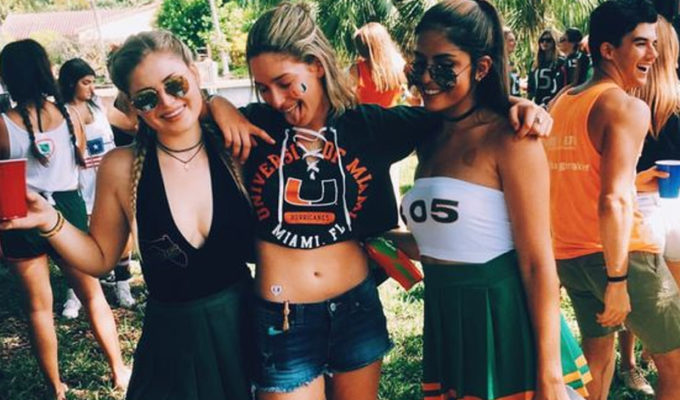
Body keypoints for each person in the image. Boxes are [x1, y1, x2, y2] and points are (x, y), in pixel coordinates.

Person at [207, 2, 553, 399]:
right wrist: (216, 104)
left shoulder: (369, 125)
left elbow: (462, 113)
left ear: (316, 65)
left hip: (355, 309)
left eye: (285, 83)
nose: (276, 99)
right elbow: (174, 108)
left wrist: (517, 104)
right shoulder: (253, 126)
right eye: (263, 88)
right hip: (283, 318)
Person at [0, 31, 270, 400]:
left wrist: (219, 103)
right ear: (132, 105)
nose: (167, 102)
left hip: (245, 330)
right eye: (146, 97)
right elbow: (100, 258)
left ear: (194, 74)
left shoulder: (235, 146)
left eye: (175, 84)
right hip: (173, 346)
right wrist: (50, 221)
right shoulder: (122, 167)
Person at [390, 1, 591, 399]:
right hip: (448, 318)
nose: (426, 77)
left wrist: (550, 374)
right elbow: (445, 239)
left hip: (505, 321)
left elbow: (537, 261)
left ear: (481, 68)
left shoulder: (512, 139)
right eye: (419, 63)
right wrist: (370, 237)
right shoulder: (429, 136)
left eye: (444, 66)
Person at [545, 1, 680, 399]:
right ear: (607, 50)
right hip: (621, 258)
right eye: (640, 44)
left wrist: (635, 181)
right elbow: (613, 199)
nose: (653, 55)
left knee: (597, 360)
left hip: (571, 256)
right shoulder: (626, 106)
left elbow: (575, 176)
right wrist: (618, 280)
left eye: (654, 44)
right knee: (677, 363)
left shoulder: (565, 100)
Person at [0, 39, 130, 400]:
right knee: (92, 296)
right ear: (46, 71)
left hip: (22, 213)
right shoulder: (71, 114)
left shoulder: (3, 125)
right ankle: (119, 370)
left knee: (38, 308)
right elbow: (80, 157)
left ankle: (56, 388)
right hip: (67, 210)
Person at [616, 15, 680, 396]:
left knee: (637, 292)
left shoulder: (628, 96)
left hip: (643, 203)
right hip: (653, 204)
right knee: (663, 292)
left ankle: (631, 364)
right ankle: (655, 360)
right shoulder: (632, 98)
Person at [57, 57, 137, 318]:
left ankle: (123, 285)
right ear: (71, 83)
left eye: (93, 82)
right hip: (81, 182)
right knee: (80, 237)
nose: (92, 88)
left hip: (110, 180)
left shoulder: (100, 106)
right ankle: (75, 294)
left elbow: (131, 125)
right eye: (86, 82)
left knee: (122, 233)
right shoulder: (60, 113)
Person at [349, 22, 407, 108]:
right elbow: (403, 93)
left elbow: (348, 98)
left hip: (366, 115)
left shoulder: (358, 69)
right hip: (390, 115)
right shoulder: (398, 66)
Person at [528, 29, 567, 107]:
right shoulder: (535, 63)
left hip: (553, 103)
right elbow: (530, 86)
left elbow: (563, 84)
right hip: (536, 104)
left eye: (548, 40)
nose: (544, 43)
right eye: (542, 40)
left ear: (554, 42)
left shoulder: (561, 61)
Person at [504, 26, 522, 96]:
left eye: (515, 40)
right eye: (511, 40)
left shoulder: (512, 63)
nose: (515, 43)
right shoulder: (496, 64)